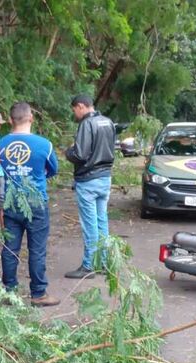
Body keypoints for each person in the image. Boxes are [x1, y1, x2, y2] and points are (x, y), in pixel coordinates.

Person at [0, 102, 60, 307]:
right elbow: (53, 169)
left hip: (10, 202)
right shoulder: (44, 144)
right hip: (36, 202)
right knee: (37, 249)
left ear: (10, 120)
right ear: (31, 118)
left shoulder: (1, 144)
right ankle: (38, 293)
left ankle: (10, 292)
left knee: (10, 248)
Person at [64, 94, 116, 279]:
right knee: (102, 222)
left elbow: (80, 154)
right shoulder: (108, 122)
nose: (75, 114)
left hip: (88, 180)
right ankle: (103, 262)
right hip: (105, 178)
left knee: (90, 225)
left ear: (80, 106)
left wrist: (67, 152)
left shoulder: (87, 124)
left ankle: (89, 266)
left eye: (74, 110)